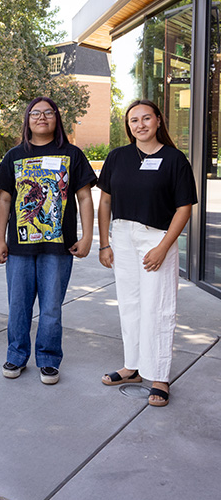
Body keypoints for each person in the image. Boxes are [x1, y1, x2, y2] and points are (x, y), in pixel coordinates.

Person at [98, 99, 197, 407]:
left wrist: (164, 247)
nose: (140, 125)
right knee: (129, 303)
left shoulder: (174, 159)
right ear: (128, 127)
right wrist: (105, 242)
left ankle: (159, 375)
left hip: (156, 237)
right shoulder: (118, 157)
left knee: (159, 306)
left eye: (145, 118)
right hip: (123, 236)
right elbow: (104, 203)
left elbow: (184, 209)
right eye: (133, 121)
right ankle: (133, 367)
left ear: (158, 120)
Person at [0, 96, 96, 385]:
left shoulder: (72, 154)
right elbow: (4, 200)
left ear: (57, 119)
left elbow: (85, 196)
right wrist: (0, 240)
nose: (41, 118)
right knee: (18, 305)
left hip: (58, 247)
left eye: (48, 113)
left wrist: (88, 236)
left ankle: (49, 359)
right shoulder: (14, 156)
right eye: (35, 113)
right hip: (19, 246)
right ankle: (16, 355)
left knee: (51, 306)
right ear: (27, 120)